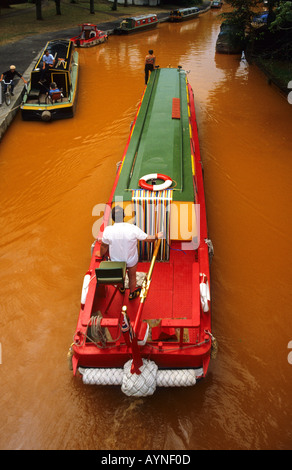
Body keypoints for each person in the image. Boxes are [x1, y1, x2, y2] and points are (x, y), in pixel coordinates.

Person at [100, 206, 163, 300]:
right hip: (131, 260)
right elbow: (148, 239)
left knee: (121, 276)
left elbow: (104, 247)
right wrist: (157, 236)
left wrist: (100, 254)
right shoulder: (132, 228)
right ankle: (132, 294)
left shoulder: (108, 231)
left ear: (112, 218)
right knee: (132, 277)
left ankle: (121, 289)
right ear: (124, 215)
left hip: (116, 262)